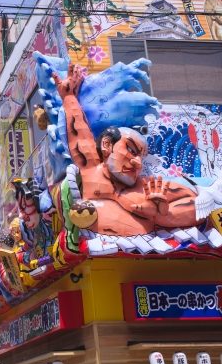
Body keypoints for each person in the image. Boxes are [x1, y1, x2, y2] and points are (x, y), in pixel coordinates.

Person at [53, 63, 202, 236]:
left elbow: (198, 203)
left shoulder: (148, 188)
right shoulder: (90, 168)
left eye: (141, 157)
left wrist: (164, 214)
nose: (137, 162)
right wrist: (68, 96)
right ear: (107, 145)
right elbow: (79, 131)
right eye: (131, 150)